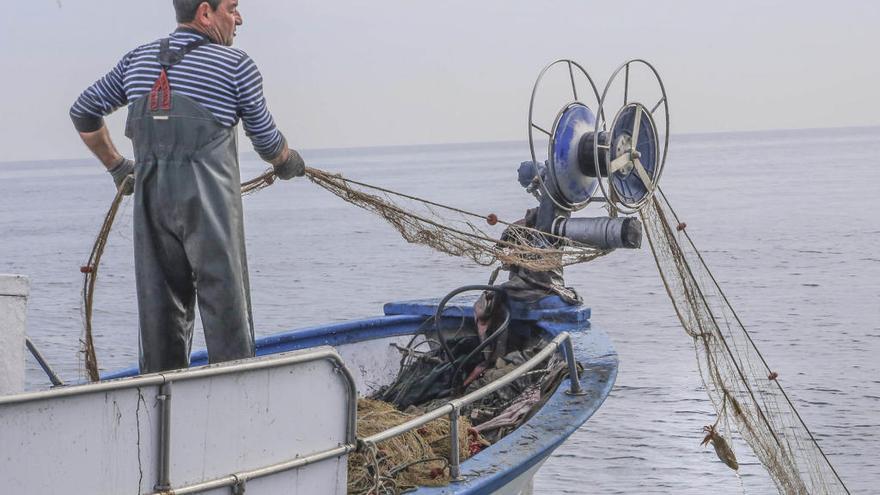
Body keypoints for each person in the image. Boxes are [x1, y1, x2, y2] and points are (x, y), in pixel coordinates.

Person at [69, 0, 303, 373]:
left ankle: (165, 413)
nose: (239, 18)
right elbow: (268, 143)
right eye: (232, 8)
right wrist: (288, 163)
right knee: (227, 315)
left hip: (151, 208)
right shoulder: (236, 66)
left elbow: (83, 111)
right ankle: (235, 406)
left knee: (160, 318)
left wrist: (117, 166)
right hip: (209, 210)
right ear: (205, 12)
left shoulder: (137, 61)